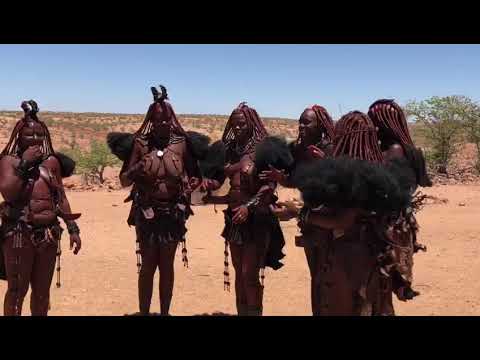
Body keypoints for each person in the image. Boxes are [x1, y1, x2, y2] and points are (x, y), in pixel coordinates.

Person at [112, 86, 202, 316]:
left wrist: (191, 185)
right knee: (148, 266)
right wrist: (136, 170)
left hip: (173, 213)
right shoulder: (141, 144)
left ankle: (164, 313)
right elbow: (123, 180)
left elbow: (196, 176)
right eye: (157, 119)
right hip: (147, 212)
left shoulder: (181, 143)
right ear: (151, 120)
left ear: (171, 119)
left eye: (165, 119)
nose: (162, 123)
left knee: (167, 267)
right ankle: (144, 313)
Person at [200, 102, 285, 316]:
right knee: (239, 275)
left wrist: (249, 206)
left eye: (242, 124)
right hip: (234, 219)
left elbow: (269, 186)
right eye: (234, 124)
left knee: (249, 275)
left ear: (251, 124)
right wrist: (206, 186)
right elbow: (218, 182)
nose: (237, 128)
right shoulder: (229, 151)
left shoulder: (262, 150)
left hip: (257, 220)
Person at [0, 100, 82, 316]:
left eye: (39, 134)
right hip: (19, 234)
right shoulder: (9, 161)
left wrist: (73, 228)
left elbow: (60, 196)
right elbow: (8, 192)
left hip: (48, 235)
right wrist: (25, 164)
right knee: (17, 291)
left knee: (42, 294)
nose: (35, 138)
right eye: (29, 134)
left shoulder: (52, 163)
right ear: (20, 135)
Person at [259, 105, 335, 315]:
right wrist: (281, 178)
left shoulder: (331, 148)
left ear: (319, 125)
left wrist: (327, 162)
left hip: (333, 223)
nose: (301, 126)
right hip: (309, 222)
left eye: (306, 122)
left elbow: (343, 182)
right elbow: (294, 180)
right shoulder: (298, 150)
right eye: (300, 121)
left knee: (332, 278)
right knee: (317, 277)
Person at [368, 99, 432, 305]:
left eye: (374, 121)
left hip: (388, 226)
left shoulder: (394, 150)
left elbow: (387, 190)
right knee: (382, 286)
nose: (372, 126)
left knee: (381, 286)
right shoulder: (407, 149)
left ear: (385, 124)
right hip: (398, 223)